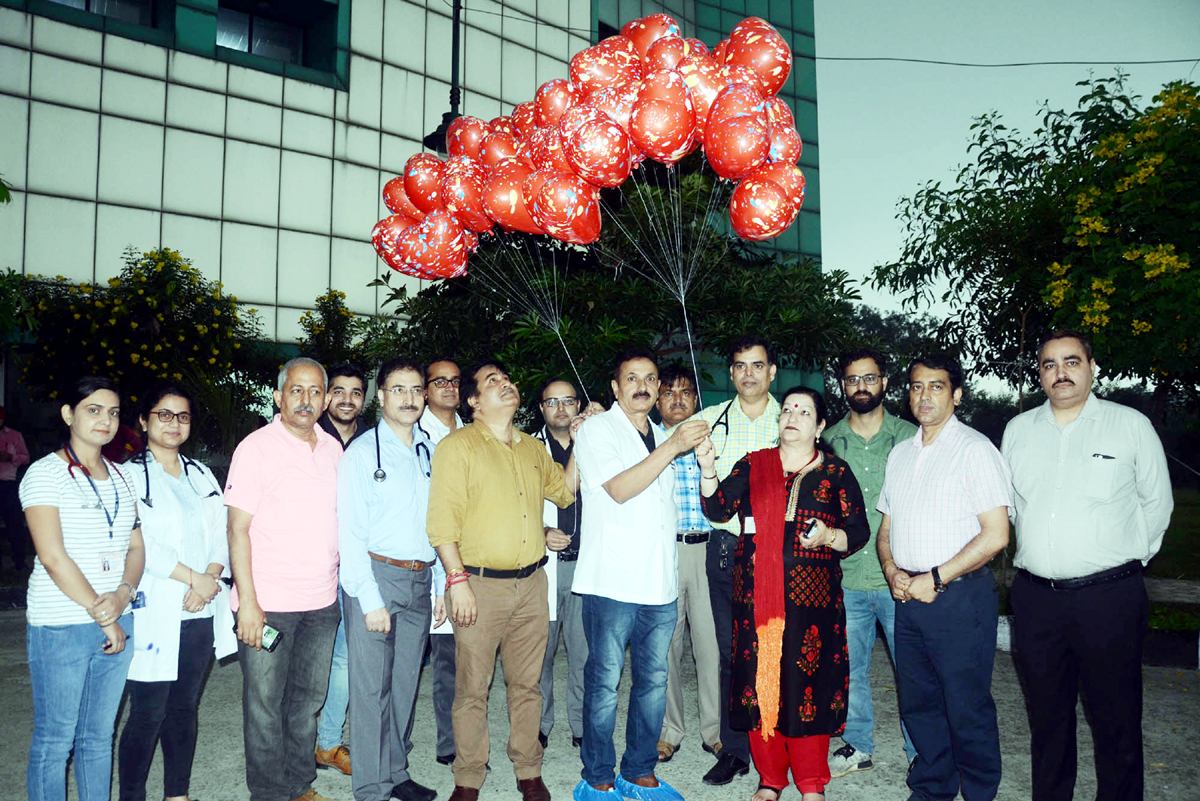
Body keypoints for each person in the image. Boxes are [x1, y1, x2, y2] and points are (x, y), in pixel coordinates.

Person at [1002, 329, 1173, 801]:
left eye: (1071, 361)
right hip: (1036, 601)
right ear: (1039, 375)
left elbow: (1157, 504)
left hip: (1109, 598)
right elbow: (1014, 508)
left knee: (1116, 719)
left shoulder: (1129, 425)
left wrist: (1122, 564)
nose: (1061, 372)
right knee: (1047, 718)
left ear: (1092, 367)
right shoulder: (1018, 432)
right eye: (1049, 364)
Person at [697, 386, 868, 801]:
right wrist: (706, 468)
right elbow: (718, 509)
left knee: (808, 685)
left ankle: (811, 782)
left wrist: (830, 535)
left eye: (804, 411)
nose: (792, 416)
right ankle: (770, 779)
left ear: (820, 424)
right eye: (787, 409)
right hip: (755, 600)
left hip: (814, 607)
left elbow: (859, 532)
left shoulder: (836, 473)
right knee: (760, 683)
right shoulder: (754, 465)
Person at [426, 361, 575, 801]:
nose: (506, 384)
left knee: (527, 686)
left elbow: (564, 492)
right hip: (478, 586)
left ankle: (528, 769)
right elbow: (441, 525)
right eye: (493, 382)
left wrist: (582, 444)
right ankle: (469, 777)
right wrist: (457, 581)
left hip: (532, 585)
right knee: (471, 688)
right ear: (473, 401)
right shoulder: (457, 448)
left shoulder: (533, 448)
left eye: (507, 379)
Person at [572, 349, 709, 801]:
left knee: (653, 682)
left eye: (651, 378)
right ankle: (597, 776)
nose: (644, 386)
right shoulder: (597, 429)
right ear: (615, 388)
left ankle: (639, 770)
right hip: (612, 581)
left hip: (659, 583)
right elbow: (621, 489)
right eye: (632, 378)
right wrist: (673, 447)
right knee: (605, 682)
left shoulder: (660, 431)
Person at [877, 354, 1012, 801]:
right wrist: (894, 571)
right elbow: (886, 531)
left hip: (959, 597)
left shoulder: (975, 449)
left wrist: (935, 578)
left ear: (956, 395)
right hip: (909, 597)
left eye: (936, 386)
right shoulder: (900, 453)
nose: (924, 395)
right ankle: (933, 786)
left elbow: (995, 536)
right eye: (916, 386)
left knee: (966, 705)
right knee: (919, 704)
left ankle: (978, 791)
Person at [21, 376, 146, 801]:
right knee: (55, 741)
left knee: (97, 737)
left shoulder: (121, 477)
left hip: (116, 617)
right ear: (68, 414)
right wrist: (103, 611)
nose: (105, 420)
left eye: (113, 412)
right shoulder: (44, 474)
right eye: (94, 409)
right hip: (62, 624)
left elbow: (135, 546)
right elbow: (53, 557)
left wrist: (123, 595)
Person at [226, 357, 343, 801]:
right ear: (278, 396)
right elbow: (237, 529)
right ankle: (269, 794)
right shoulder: (255, 448)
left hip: (320, 604)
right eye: (296, 390)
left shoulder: (334, 450)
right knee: (264, 706)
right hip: (268, 603)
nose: (306, 399)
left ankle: (299, 786)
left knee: (306, 703)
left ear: (327, 399)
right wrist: (248, 604)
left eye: (315, 391)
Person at [118, 382, 235, 801]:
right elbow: (140, 543)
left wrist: (211, 577)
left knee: (184, 708)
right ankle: (132, 795)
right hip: (156, 607)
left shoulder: (202, 474)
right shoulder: (128, 477)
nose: (174, 423)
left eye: (182, 416)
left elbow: (224, 531)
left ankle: (177, 794)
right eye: (164, 415)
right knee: (148, 713)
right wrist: (193, 578)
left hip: (200, 609)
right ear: (144, 421)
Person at [338, 358, 439, 801]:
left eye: (416, 389)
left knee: (403, 686)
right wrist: (370, 598)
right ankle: (371, 788)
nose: (409, 398)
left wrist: (438, 587)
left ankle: (396, 773)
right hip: (376, 578)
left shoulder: (430, 449)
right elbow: (350, 533)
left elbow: (438, 524)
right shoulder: (361, 453)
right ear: (380, 397)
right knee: (370, 689)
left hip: (421, 579)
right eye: (398, 389)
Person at [821, 348, 918, 777]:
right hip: (845, 577)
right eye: (853, 379)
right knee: (850, 668)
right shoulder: (827, 441)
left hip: (903, 577)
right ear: (843, 385)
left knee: (913, 670)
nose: (862, 386)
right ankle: (857, 743)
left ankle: (922, 749)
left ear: (884, 383)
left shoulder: (911, 437)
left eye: (870, 378)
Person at [695, 335, 782, 786]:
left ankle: (778, 744)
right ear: (731, 374)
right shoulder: (710, 420)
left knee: (777, 650)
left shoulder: (791, 419)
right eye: (740, 366)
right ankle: (734, 751)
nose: (749, 373)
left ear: (772, 372)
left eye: (758, 365)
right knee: (733, 655)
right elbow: (654, 437)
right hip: (726, 551)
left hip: (777, 553)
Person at [652, 364, 721, 763]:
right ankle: (670, 730)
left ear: (696, 399)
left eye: (685, 392)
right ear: (658, 399)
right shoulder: (648, 442)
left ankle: (713, 730)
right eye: (668, 392)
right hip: (665, 552)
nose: (677, 400)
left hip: (709, 549)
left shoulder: (713, 435)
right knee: (666, 645)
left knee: (711, 645)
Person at [532, 378, 602, 751]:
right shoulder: (528, 447)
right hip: (544, 566)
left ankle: (580, 724)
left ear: (579, 405)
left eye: (568, 401)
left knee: (584, 652)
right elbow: (514, 504)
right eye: (552, 402)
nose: (561, 408)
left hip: (586, 565)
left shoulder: (597, 441)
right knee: (539, 653)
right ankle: (540, 724)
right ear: (541, 408)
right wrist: (541, 529)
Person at [316, 363, 369, 777]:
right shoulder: (309, 440)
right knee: (310, 662)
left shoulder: (372, 444)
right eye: (338, 391)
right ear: (324, 396)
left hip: (357, 565)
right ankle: (303, 741)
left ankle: (328, 742)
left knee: (345, 659)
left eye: (355, 392)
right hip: (311, 567)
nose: (347, 399)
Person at [419, 357, 464, 768]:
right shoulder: (417, 436)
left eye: (454, 381)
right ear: (426, 389)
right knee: (446, 662)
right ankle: (450, 743)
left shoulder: (473, 433)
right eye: (439, 381)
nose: (448, 387)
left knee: (474, 661)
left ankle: (471, 739)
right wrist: (441, 582)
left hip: (479, 562)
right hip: (436, 564)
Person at [0, 404, 31, 571]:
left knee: (14, 525)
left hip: (8, 485)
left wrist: (10, 457)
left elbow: (26, 457)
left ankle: (19, 561)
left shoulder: (14, 435)